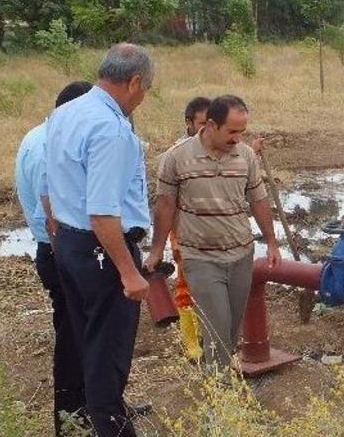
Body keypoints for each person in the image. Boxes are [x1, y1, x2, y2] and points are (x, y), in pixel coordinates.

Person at [45, 43, 153, 437]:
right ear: (135, 81)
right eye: (145, 90)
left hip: (71, 245)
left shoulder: (63, 114)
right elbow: (103, 212)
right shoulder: (110, 129)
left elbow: (51, 187)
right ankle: (110, 428)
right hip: (103, 250)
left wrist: (64, 243)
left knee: (86, 341)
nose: (142, 99)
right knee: (108, 354)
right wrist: (129, 272)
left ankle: (80, 423)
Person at [144, 95, 281, 370]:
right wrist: (157, 249)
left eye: (242, 131)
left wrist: (271, 241)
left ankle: (216, 383)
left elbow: (258, 200)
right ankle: (218, 397)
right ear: (210, 125)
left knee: (229, 331)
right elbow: (165, 205)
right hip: (200, 258)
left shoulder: (245, 157)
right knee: (217, 328)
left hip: (241, 254)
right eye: (232, 131)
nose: (237, 138)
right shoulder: (176, 158)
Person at [15, 81, 93, 435]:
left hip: (58, 249)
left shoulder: (39, 134)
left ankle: (96, 405)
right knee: (73, 337)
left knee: (85, 334)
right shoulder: (49, 145)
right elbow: (54, 213)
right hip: (61, 250)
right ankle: (71, 418)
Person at [170, 96, 212, 361]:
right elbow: (168, 202)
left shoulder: (216, 150)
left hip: (211, 228)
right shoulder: (177, 155)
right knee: (187, 283)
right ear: (189, 122)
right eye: (201, 123)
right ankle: (190, 343)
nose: (207, 128)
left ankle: (210, 335)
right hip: (185, 229)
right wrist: (174, 239)